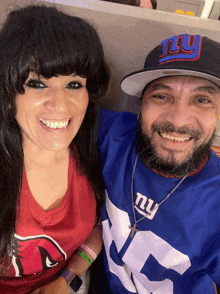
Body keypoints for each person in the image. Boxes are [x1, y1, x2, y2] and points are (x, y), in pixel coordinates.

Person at [98, 34, 220, 293]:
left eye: (202, 100)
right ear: (140, 104)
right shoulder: (111, 135)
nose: (178, 120)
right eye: (162, 96)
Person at [0, 4, 109, 294]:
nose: (59, 105)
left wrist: (68, 279)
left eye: (74, 84)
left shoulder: (93, 149)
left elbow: (100, 226)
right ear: (9, 94)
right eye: (36, 83)